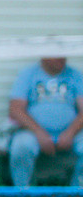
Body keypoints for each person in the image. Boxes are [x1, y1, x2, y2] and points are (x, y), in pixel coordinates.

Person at [7, 55, 83, 187]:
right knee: (21, 147)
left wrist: (70, 133)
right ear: (44, 56)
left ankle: (76, 194)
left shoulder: (75, 75)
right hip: (32, 133)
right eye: (56, 55)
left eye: (63, 54)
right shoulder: (28, 75)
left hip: (71, 133)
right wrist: (39, 133)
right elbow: (16, 109)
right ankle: (24, 194)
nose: (61, 58)